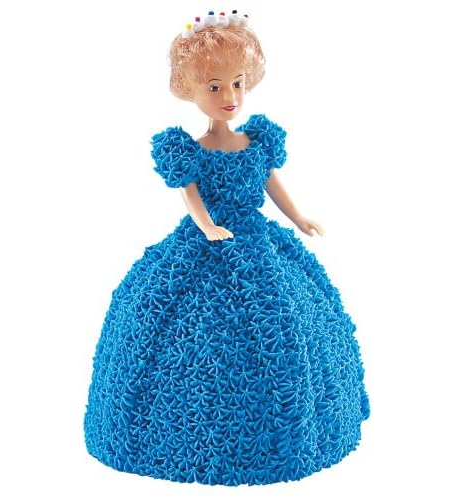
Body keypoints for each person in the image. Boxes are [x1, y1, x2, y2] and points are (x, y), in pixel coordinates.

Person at [83, 10, 370, 487]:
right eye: (214, 86)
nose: (229, 96)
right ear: (191, 89)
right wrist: (208, 227)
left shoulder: (257, 142)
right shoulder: (190, 150)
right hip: (205, 242)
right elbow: (190, 196)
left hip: (260, 244)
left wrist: (298, 217)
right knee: (166, 326)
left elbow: (274, 187)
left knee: (292, 322)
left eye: (236, 83)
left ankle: (302, 430)